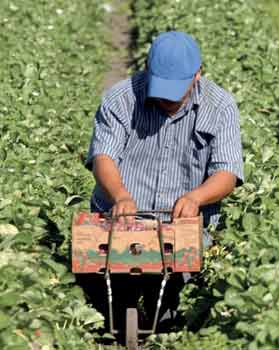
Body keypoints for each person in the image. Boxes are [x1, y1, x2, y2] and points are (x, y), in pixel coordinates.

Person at [78, 31, 244, 333]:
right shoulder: (121, 98)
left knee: (170, 313)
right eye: (162, 89)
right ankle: (121, 308)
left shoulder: (220, 106)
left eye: (176, 90)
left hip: (181, 227)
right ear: (146, 70)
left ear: (198, 75)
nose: (168, 99)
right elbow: (104, 156)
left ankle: (162, 314)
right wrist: (120, 195)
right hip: (120, 222)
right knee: (107, 296)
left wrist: (197, 198)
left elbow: (227, 173)